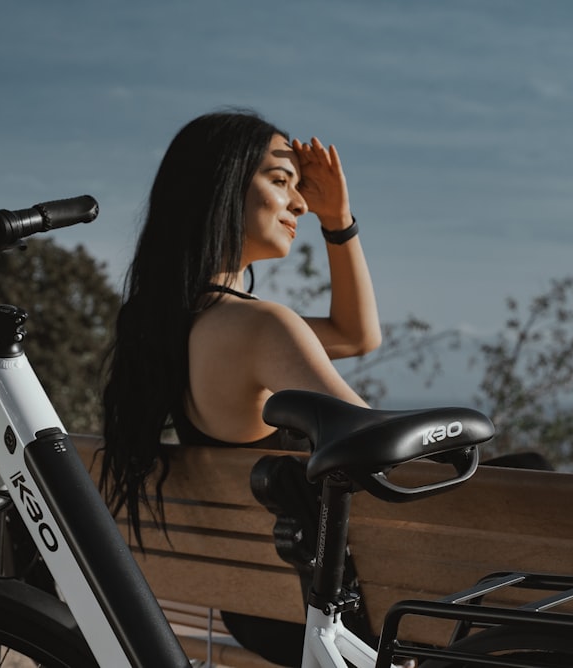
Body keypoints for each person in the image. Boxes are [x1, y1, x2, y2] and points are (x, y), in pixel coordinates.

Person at [99, 110, 381, 664]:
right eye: (281, 182)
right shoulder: (259, 327)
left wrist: (337, 218)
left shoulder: (168, 323)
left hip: (259, 606)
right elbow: (378, 450)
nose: (300, 204)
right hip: (333, 605)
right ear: (223, 188)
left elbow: (355, 335)